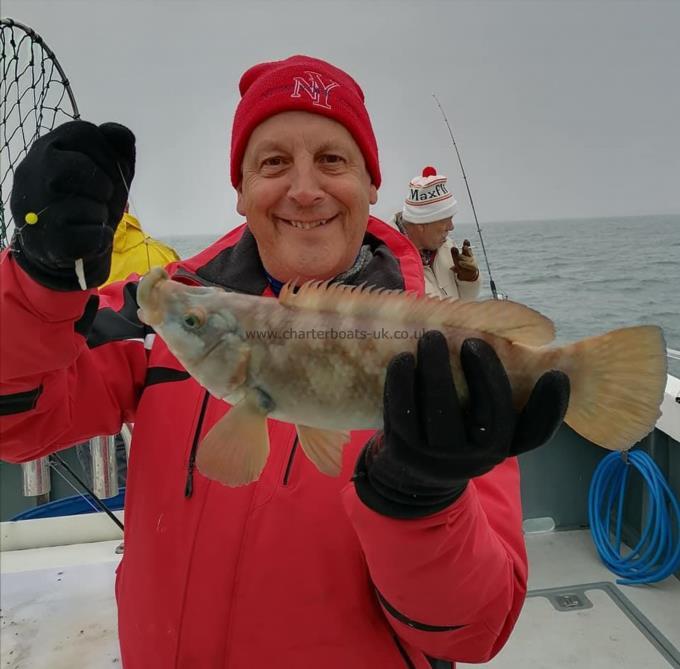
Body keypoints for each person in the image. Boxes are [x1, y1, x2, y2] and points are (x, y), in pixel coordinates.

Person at [0, 55, 570, 668]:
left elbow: (471, 632)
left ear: (371, 184)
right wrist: (41, 282)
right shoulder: (157, 321)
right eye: (273, 162)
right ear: (240, 189)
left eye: (332, 159)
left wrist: (421, 499)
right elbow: (18, 423)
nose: (304, 188)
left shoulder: (445, 358)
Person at [75, 205, 180, 488]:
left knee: (109, 491)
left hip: (94, 393)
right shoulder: (161, 254)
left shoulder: (72, 259)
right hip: (156, 396)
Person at [393, 166, 481, 299]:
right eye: (445, 220)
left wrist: (469, 279)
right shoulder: (387, 261)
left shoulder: (448, 247)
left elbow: (465, 305)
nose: (451, 227)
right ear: (421, 224)